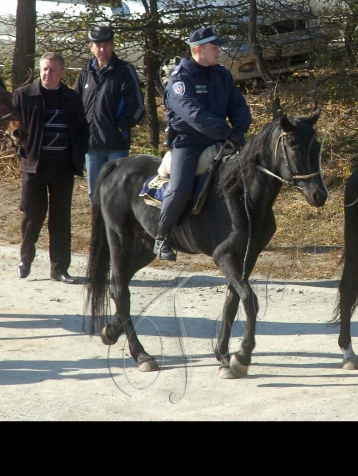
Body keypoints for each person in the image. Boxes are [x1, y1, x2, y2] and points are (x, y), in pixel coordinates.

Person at [155, 26, 252, 261]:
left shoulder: (222, 74)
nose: (219, 50)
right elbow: (194, 114)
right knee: (180, 188)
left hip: (223, 138)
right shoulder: (180, 79)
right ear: (198, 50)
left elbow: (238, 106)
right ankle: (162, 236)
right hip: (189, 143)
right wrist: (225, 131)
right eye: (214, 47)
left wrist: (238, 130)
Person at [12, 53, 90, 283]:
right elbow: (11, 127)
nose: (48, 74)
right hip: (34, 167)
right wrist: (21, 151)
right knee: (32, 216)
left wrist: (77, 155)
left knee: (60, 219)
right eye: (45, 69)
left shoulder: (72, 98)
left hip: (63, 168)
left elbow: (82, 130)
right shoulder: (24, 95)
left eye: (53, 70)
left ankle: (59, 269)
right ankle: (25, 260)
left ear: (63, 73)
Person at [75, 26, 145, 204]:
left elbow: (137, 106)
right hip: (91, 147)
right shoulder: (86, 72)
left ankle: (117, 233)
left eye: (106, 45)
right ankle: (98, 232)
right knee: (95, 196)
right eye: (98, 45)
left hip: (116, 145)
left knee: (118, 197)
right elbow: (75, 103)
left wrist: (119, 126)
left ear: (113, 46)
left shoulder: (124, 70)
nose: (102, 50)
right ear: (91, 47)